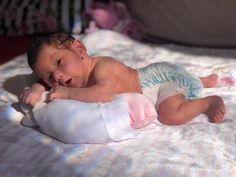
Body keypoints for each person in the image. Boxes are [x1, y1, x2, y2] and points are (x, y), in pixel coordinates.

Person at [20, 32, 225, 125]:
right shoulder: (65, 77)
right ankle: (203, 80)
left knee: (170, 116)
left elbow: (103, 93)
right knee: (188, 83)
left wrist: (67, 93)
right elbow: (40, 79)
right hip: (157, 74)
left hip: (160, 82)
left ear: (80, 50)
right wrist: (37, 89)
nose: (56, 76)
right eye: (48, 76)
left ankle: (208, 101)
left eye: (58, 62)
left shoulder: (103, 67)